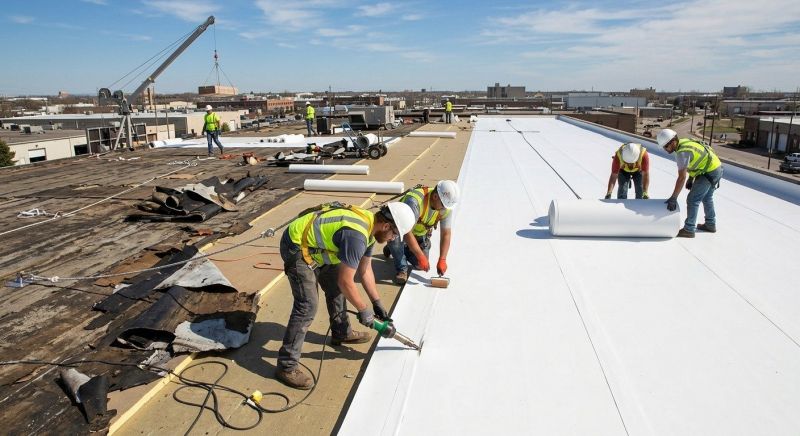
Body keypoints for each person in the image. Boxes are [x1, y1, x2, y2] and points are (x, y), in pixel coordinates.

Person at [276, 201, 415, 389]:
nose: (392, 239)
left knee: (335, 289)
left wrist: (377, 302)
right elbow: (346, 281)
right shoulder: (356, 236)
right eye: (395, 234)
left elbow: (365, 270)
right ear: (386, 226)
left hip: (316, 247)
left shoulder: (370, 229)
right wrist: (364, 310)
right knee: (307, 306)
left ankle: (342, 332)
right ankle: (286, 366)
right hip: (296, 246)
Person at [384, 180, 459, 284]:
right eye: (443, 205)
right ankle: (401, 268)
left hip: (418, 233)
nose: (444, 209)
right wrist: (420, 255)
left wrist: (442, 259)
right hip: (400, 229)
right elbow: (406, 231)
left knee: (419, 265)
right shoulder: (415, 202)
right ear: (435, 197)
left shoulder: (445, 207)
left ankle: (396, 249)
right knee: (395, 238)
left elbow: (446, 234)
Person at [657, 128, 723, 238]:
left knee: (693, 199)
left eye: (666, 146)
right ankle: (710, 224)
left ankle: (689, 229)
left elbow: (681, 177)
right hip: (716, 167)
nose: (665, 149)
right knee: (707, 197)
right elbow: (697, 160)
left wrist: (673, 198)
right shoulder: (683, 142)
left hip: (708, 172)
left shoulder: (682, 152)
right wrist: (691, 179)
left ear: (673, 142)